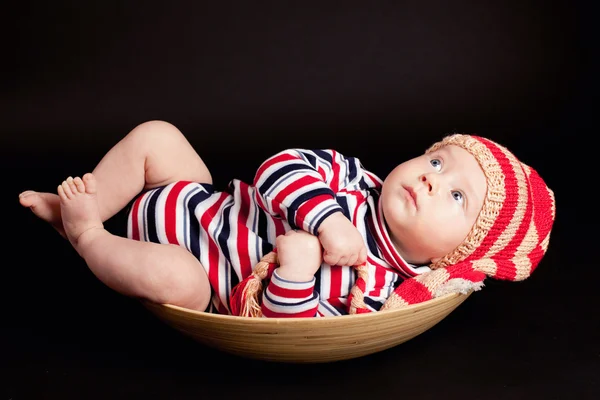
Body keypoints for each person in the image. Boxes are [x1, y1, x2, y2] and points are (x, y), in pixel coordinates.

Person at [18, 120, 556, 318]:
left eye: (457, 198)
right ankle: (88, 200)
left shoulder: (376, 288)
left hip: (199, 271)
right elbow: (279, 167)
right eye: (437, 161)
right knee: (158, 136)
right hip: (202, 199)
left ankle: (86, 231)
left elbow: (294, 330)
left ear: (455, 256)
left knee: (170, 280)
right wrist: (326, 219)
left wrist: (293, 275)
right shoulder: (351, 179)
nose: (433, 178)